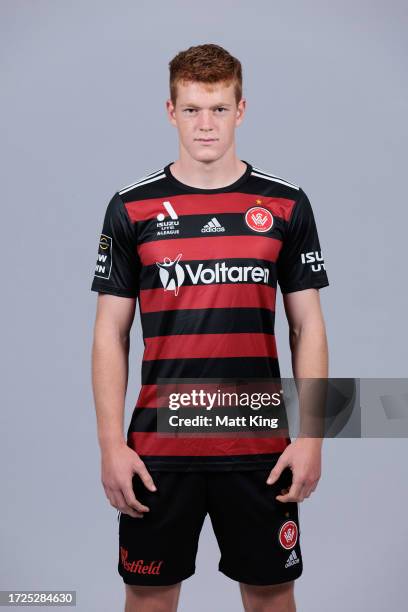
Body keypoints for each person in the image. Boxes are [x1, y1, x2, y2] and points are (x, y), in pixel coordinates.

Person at [91, 43, 329, 612]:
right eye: (193, 109)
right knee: (148, 598)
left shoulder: (285, 204)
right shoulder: (131, 208)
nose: (206, 124)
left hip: (259, 446)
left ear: (241, 110)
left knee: (272, 598)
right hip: (157, 450)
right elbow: (109, 334)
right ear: (171, 111)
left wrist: (314, 437)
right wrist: (108, 446)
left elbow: (309, 328)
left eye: (219, 109)